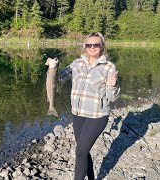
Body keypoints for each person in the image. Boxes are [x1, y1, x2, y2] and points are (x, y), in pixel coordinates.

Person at [46, 32, 120, 180]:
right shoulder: (76, 63)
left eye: (96, 44)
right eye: (89, 44)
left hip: (97, 116)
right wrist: (52, 68)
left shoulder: (109, 67)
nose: (92, 47)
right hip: (78, 113)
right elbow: (59, 79)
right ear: (85, 47)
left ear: (102, 46)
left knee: (80, 151)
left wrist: (113, 85)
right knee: (83, 150)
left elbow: (113, 97)